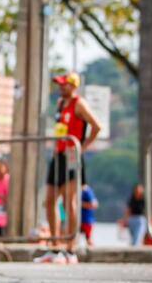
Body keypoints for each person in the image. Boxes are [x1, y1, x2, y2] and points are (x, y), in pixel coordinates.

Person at [36, 72, 102, 265]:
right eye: (59, 84)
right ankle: (55, 246)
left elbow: (96, 126)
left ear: (73, 86)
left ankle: (70, 247)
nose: (60, 87)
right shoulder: (60, 103)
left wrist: (83, 147)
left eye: (64, 85)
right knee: (49, 201)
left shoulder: (79, 104)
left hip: (73, 156)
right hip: (58, 155)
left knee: (69, 201)